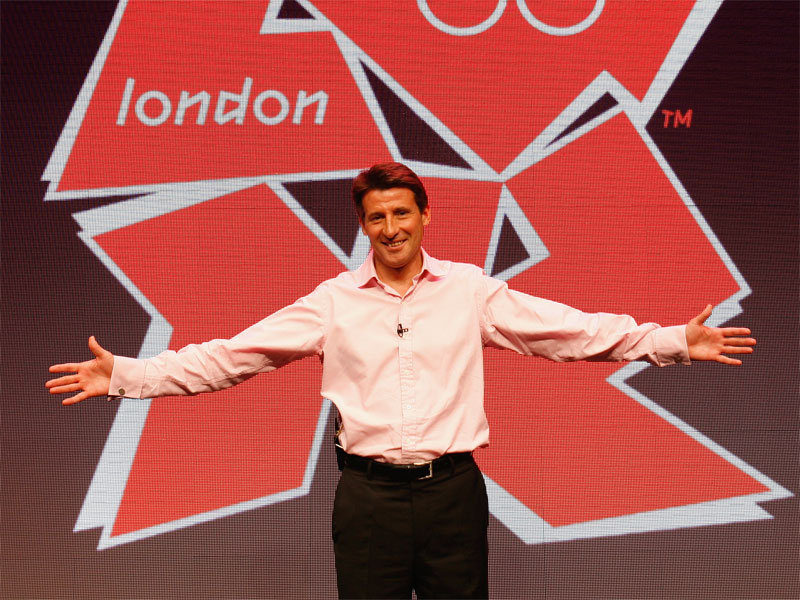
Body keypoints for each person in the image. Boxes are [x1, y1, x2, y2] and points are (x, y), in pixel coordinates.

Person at [47, 162, 756, 599]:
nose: (391, 228)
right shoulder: (331, 303)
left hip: (452, 495)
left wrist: (671, 341)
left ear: (425, 216)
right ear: (364, 227)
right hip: (369, 501)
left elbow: (573, 333)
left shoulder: (470, 290)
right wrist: (127, 376)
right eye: (377, 217)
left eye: (402, 213)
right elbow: (229, 358)